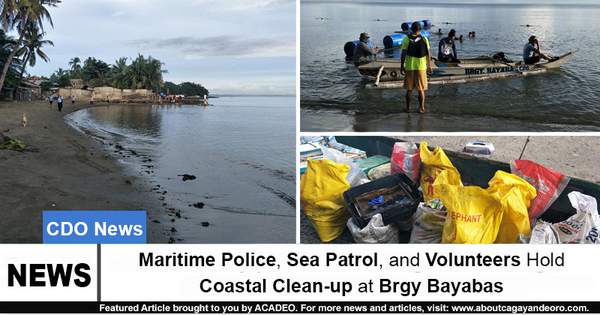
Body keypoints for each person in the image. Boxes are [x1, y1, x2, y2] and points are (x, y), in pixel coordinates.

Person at [400, 22, 432, 114]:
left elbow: (403, 53)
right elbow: (428, 54)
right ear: (420, 29)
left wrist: (402, 66)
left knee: (409, 89)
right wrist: (429, 65)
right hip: (421, 67)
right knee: (421, 89)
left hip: (410, 67)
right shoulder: (424, 39)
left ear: (411, 29)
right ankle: (421, 108)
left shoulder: (406, 39)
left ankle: (408, 108)